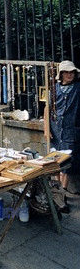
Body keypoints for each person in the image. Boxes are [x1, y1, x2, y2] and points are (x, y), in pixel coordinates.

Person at [49, 60, 80, 194]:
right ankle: (58, 191)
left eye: (71, 72)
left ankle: (64, 191)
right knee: (55, 161)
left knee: (67, 163)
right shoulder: (54, 89)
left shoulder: (78, 88)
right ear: (61, 74)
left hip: (71, 130)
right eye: (66, 72)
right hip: (56, 130)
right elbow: (47, 110)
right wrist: (46, 130)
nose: (69, 75)